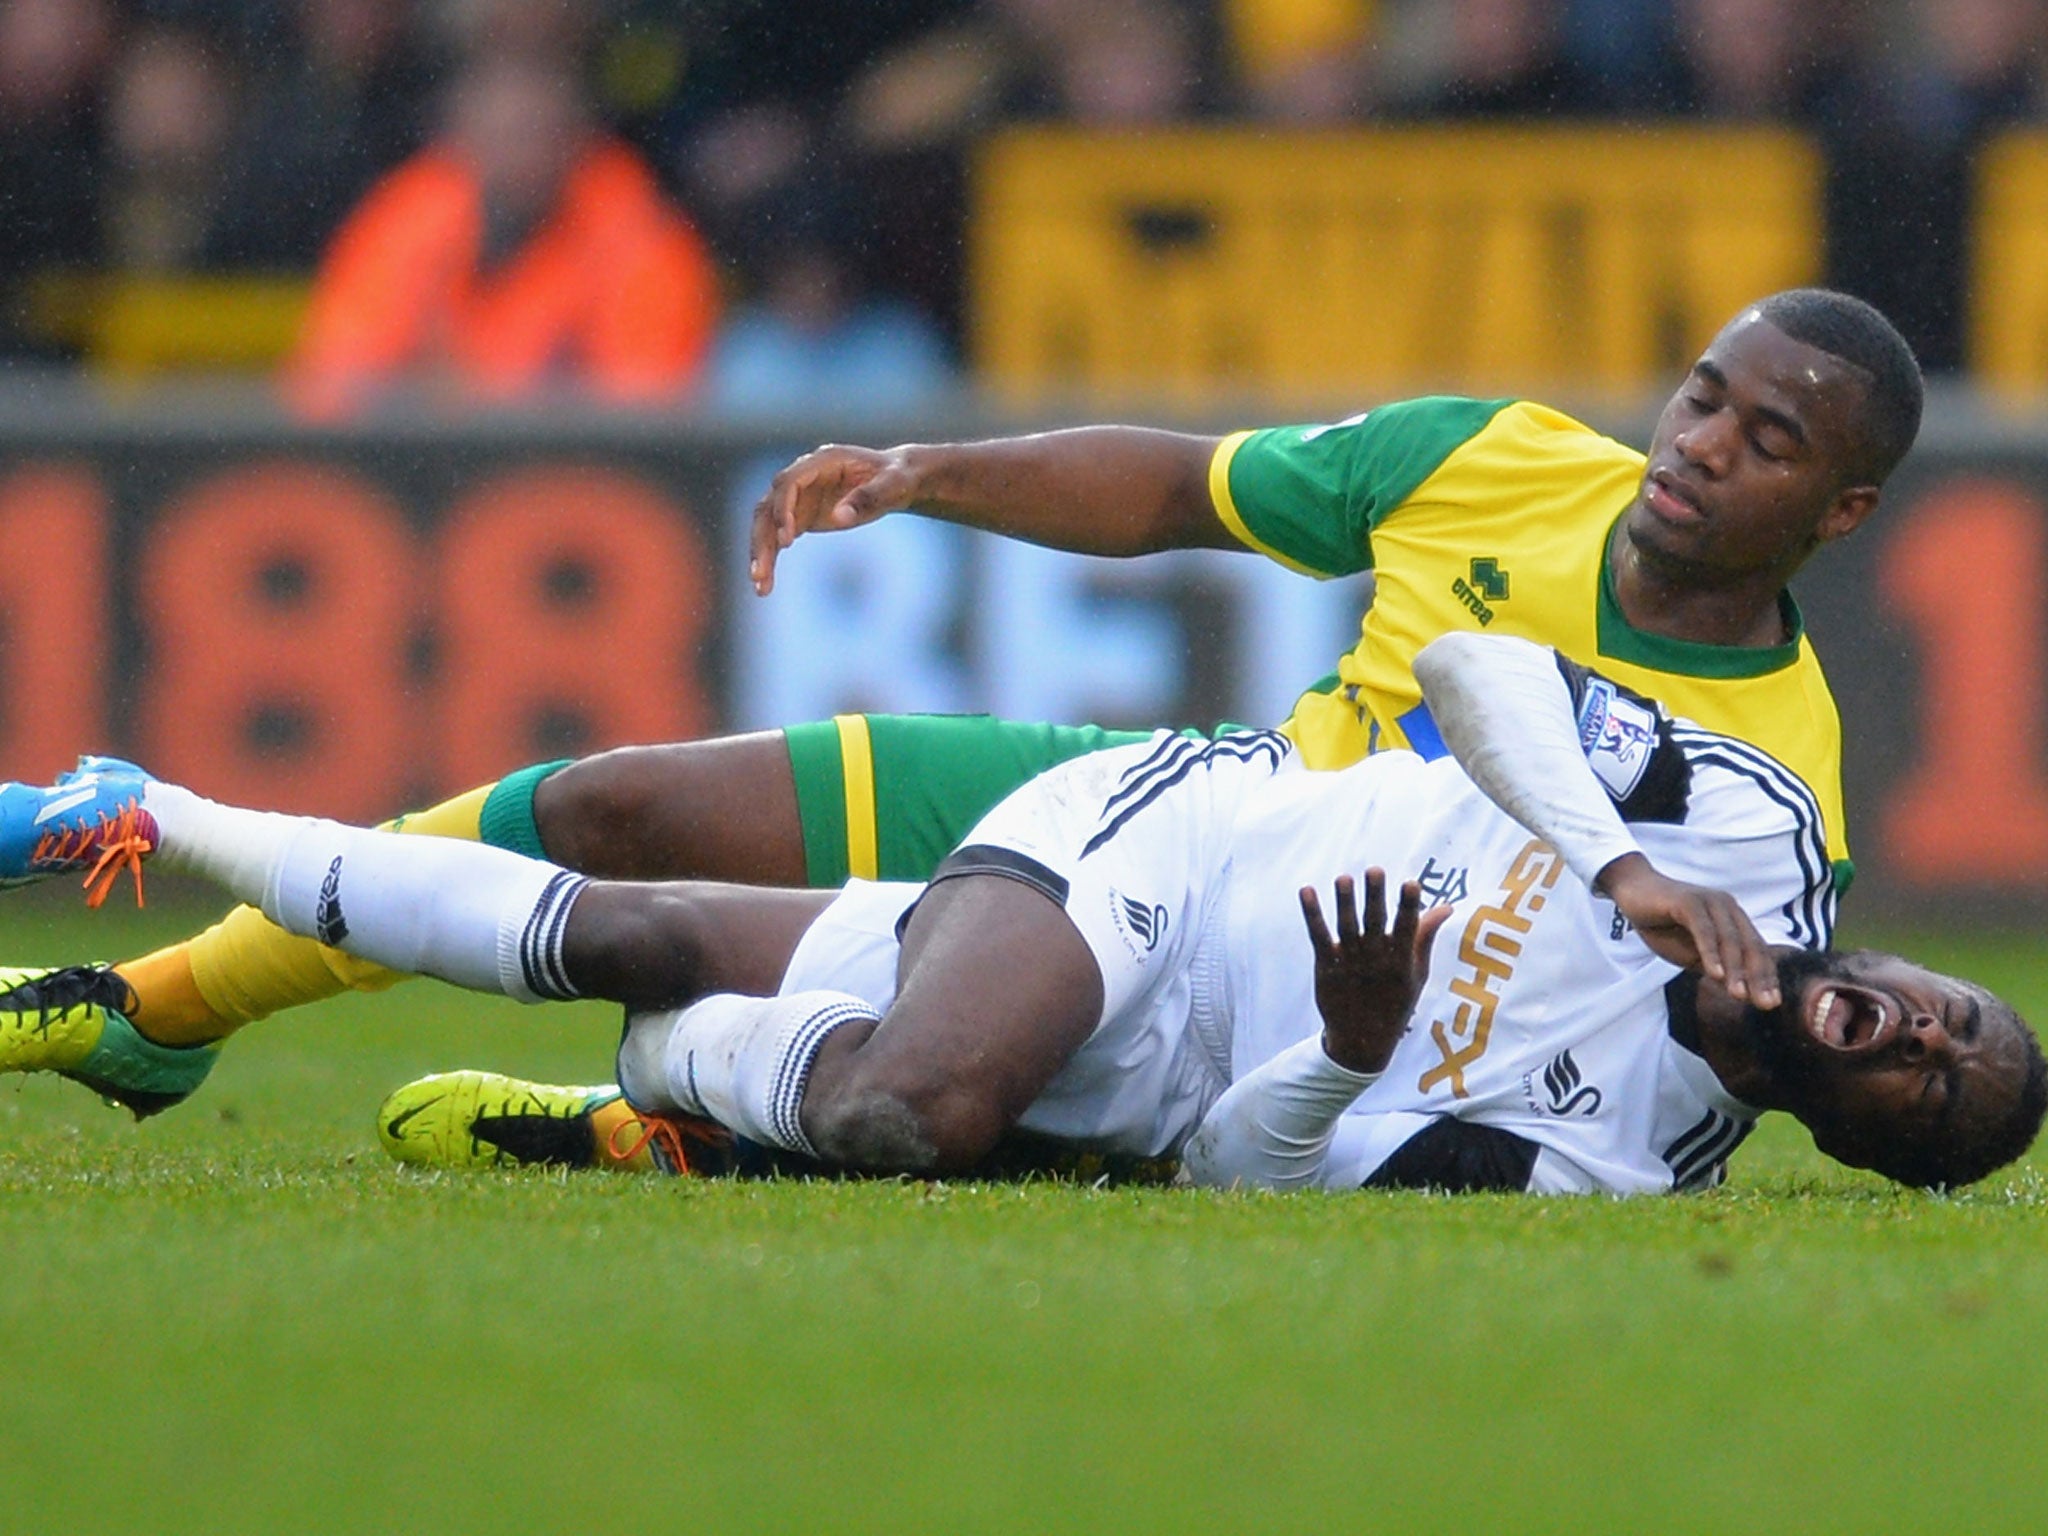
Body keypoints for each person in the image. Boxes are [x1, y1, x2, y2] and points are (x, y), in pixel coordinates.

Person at [0, 289, 1922, 1137]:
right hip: (1164, 802)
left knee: (892, 1070)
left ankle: (665, 1110)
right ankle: (160, 1014)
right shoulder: (1497, 462)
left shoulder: (1781, 779)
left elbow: (1700, 1038)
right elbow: (1180, 489)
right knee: (612, 808)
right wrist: (927, 469)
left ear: (1836, 514)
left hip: (1245, 997)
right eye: (1700, 396)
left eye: (1766, 444)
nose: (1697, 451)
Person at [3, 635, 2037, 1194]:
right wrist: (1620, 860)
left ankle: (672, 1098)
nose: (1927, 1037)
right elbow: (1473, 684)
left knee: (632, 933)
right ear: (1906, 967)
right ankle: (154, 820)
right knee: (927, 1107)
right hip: (1172, 842)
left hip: (1154, 1067)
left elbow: (1246, 1183)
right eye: (1954, 1013)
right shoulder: (1754, 833)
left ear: (1861, 1143)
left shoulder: (1603, 1166)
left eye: (1932, 1092)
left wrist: (1339, 1046)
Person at [286, 49, 721, 418]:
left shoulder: (634, 228)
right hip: (426, 477)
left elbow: (646, 410)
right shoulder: (415, 212)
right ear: (461, 135)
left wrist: (474, 396)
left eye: (535, 132)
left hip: (581, 484)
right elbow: (332, 382)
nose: (519, 156)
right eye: (503, 135)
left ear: (575, 138)